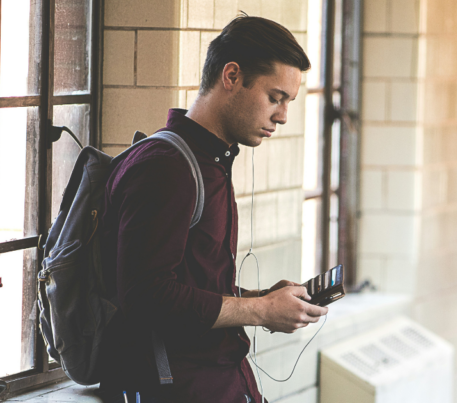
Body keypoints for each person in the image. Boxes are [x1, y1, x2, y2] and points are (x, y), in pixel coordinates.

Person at [97, 15, 328, 403]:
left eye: (288, 101)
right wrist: (260, 311)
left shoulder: (209, 162)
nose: (283, 116)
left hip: (223, 384)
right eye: (275, 97)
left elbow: (192, 285)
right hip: (180, 388)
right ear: (232, 76)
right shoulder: (167, 167)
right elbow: (146, 295)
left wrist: (262, 300)